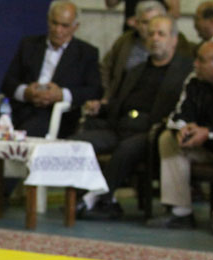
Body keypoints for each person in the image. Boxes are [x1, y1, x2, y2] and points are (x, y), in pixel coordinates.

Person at [73, 15, 193, 219]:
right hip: (120, 126)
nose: (155, 38)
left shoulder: (185, 72)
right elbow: (118, 102)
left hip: (151, 132)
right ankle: (80, 197)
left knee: (127, 148)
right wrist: (101, 107)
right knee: (78, 143)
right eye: (151, 34)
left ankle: (98, 199)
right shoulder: (137, 70)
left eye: (161, 34)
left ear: (174, 39)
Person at [151, 40, 213, 235]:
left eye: (201, 60)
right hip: (201, 146)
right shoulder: (194, 80)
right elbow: (179, 113)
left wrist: (209, 132)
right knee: (167, 139)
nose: (195, 64)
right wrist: (183, 128)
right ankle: (180, 211)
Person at [1, 1, 102, 139]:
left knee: (30, 130)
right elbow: (7, 83)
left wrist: (61, 94)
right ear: (48, 20)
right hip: (22, 108)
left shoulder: (86, 53)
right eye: (54, 23)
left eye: (64, 26)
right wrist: (26, 92)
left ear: (75, 26)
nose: (58, 30)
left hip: (57, 114)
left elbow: (94, 90)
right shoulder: (29, 45)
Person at [100, 1, 193, 104]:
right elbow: (106, 68)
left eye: (160, 33)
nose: (151, 26)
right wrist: (106, 96)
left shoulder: (179, 42)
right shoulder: (125, 41)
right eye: (145, 22)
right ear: (136, 23)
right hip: (124, 99)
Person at [105, 0, 179, 33]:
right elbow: (110, 3)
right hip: (131, 34)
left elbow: (174, 12)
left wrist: (149, 21)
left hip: (155, 35)